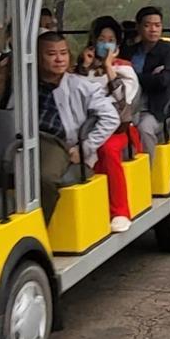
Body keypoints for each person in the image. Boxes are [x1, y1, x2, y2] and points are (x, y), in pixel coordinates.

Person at [33, 30, 118, 221]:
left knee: (45, 178)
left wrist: (85, 148)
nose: (59, 59)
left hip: (57, 142)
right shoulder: (24, 84)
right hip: (23, 139)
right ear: (37, 57)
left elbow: (111, 118)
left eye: (63, 53)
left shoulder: (82, 86)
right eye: (51, 54)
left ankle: (39, 228)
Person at [75, 16, 143, 232]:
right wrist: (84, 68)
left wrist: (108, 67)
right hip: (85, 128)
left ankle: (120, 211)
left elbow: (123, 103)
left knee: (106, 150)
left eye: (110, 40)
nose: (106, 44)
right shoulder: (85, 70)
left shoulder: (125, 70)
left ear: (117, 45)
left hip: (118, 131)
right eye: (101, 39)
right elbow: (75, 98)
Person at [126, 5, 170, 152]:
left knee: (145, 129)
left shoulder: (169, 50)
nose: (153, 29)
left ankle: (150, 165)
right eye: (147, 25)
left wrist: (134, 78)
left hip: (154, 109)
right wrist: (150, 76)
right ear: (138, 27)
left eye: (157, 25)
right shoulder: (130, 52)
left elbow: (163, 81)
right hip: (128, 107)